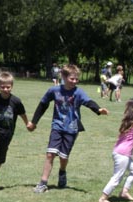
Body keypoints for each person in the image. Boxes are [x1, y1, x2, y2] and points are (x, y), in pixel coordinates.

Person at [27, 64, 109, 193]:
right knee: (50, 154)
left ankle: (62, 171)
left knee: (63, 157)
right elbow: (43, 105)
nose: (75, 81)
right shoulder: (54, 91)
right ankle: (43, 183)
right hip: (57, 126)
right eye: (72, 79)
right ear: (63, 77)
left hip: (72, 128)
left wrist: (98, 109)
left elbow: (88, 102)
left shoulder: (78, 92)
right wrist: (34, 122)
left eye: (77, 79)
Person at [99, 98, 133, 202]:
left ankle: (124, 192)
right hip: (122, 154)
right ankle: (103, 198)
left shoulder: (126, 121)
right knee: (117, 177)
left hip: (118, 152)